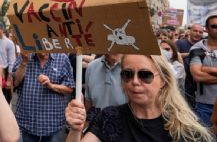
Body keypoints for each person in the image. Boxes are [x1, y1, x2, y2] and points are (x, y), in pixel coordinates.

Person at [65, 54, 214, 142]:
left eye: (145, 75)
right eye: (127, 74)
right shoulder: (109, 117)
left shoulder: (187, 130)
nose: (135, 81)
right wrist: (75, 130)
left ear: (163, 80)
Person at [13, 52, 75, 141]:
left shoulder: (62, 58)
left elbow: (69, 88)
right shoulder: (25, 56)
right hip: (27, 120)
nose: (43, 52)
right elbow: (15, 83)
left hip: (53, 122)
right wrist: (24, 63)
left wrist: (51, 86)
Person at [190, 14, 217, 127]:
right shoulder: (198, 48)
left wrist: (206, 69)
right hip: (205, 106)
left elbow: (201, 73)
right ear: (206, 28)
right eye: (214, 26)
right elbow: (198, 76)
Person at [0, 22, 16, 103]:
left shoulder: (9, 43)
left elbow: (12, 63)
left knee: (4, 99)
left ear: (2, 30)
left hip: (5, 73)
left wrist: (9, 80)